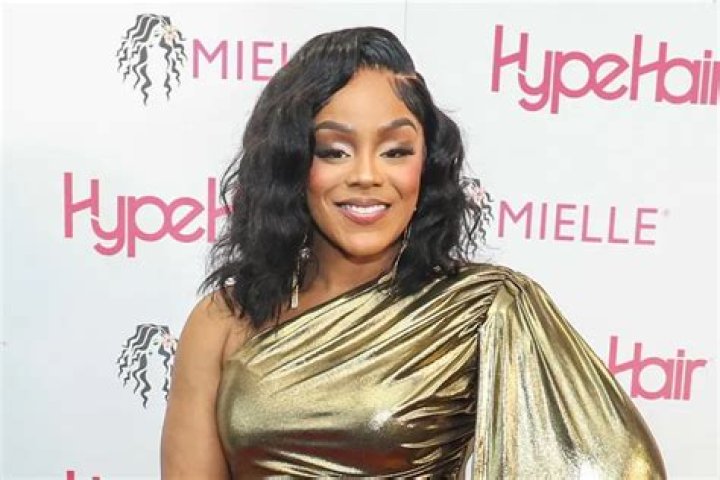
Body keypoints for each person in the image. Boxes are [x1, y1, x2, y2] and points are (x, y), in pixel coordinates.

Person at [160, 26, 666, 479]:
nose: (366, 175)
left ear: (427, 163)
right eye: (334, 151)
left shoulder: (485, 307)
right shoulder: (223, 321)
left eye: (395, 151)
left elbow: (613, 467)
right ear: (292, 164)